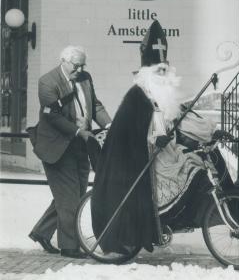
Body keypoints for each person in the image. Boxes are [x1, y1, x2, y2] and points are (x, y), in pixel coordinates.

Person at [91, 20, 218, 254]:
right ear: (147, 74)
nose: (164, 74)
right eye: (158, 71)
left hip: (162, 152)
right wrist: (152, 140)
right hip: (137, 159)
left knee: (195, 167)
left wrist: (211, 130)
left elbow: (183, 118)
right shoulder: (137, 97)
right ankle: (154, 227)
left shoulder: (164, 95)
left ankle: (175, 221)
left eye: (165, 70)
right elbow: (130, 133)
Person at [28, 45, 111, 259]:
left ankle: (41, 232)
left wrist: (109, 125)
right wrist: (78, 132)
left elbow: (95, 104)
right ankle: (70, 247)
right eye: (76, 66)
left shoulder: (85, 77)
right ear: (64, 61)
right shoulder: (48, 81)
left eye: (83, 65)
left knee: (73, 194)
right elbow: (52, 116)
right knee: (70, 199)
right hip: (57, 146)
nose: (80, 69)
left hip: (81, 145)